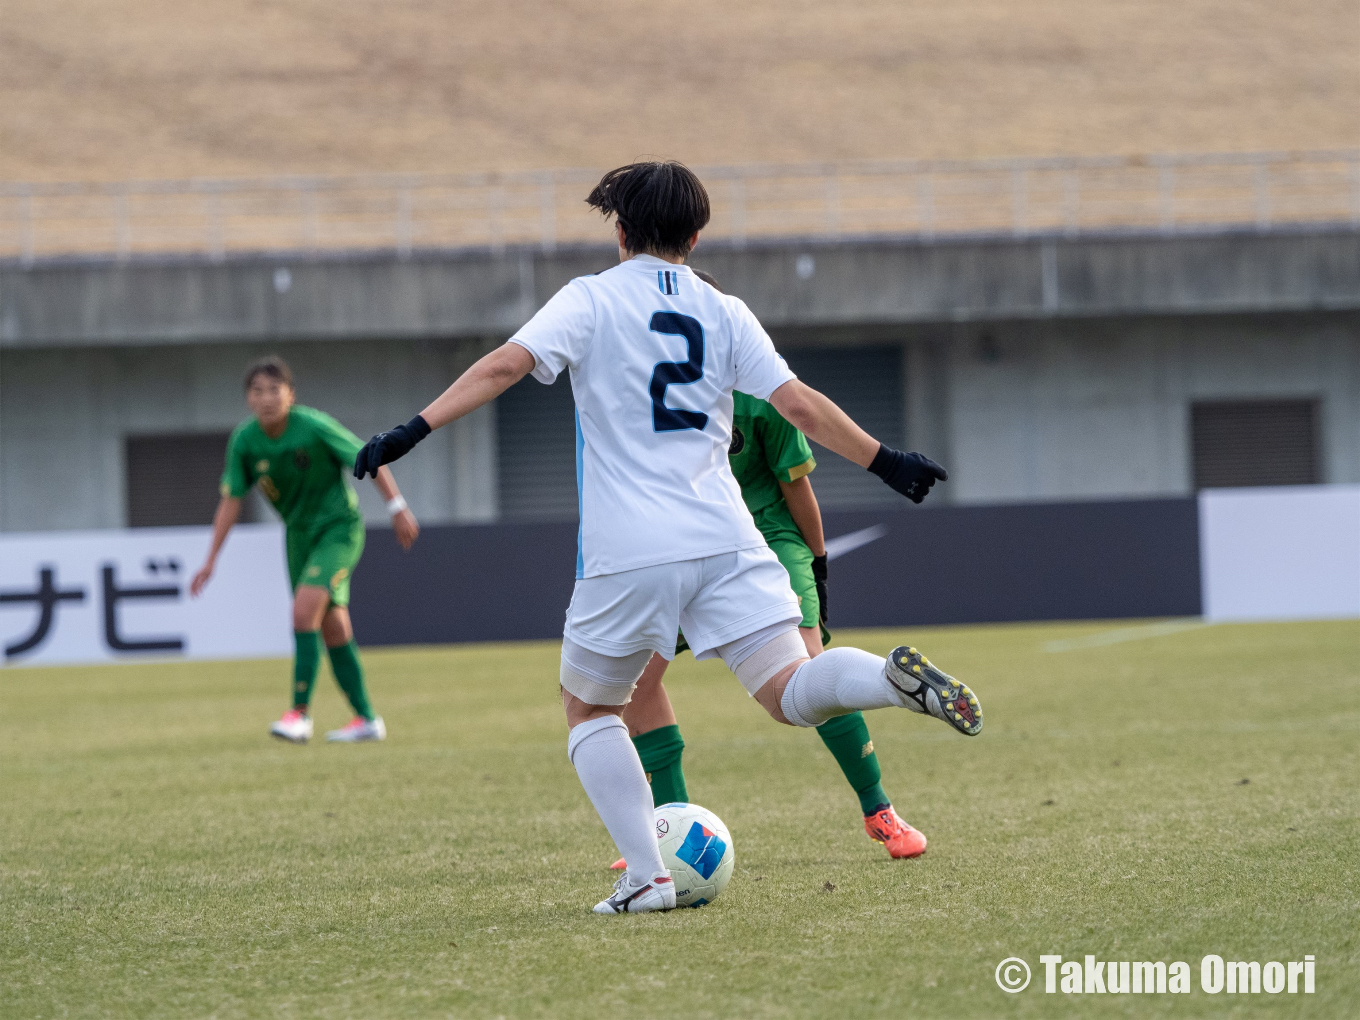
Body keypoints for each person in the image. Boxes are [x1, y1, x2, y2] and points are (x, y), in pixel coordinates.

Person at [354, 161, 981, 914]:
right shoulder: (727, 311)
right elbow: (801, 407)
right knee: (788, 691)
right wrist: (889, 461)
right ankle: (888, 680)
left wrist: (409, 431)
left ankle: (648, 878)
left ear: (620, 231)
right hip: (728, 539)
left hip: (630, 552)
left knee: (590, 709)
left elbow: (503, 367)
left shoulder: (589, 299)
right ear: (695, 234)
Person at [612, 269, 926, 864]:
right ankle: (670, 827)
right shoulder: (661, 392)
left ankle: (879, 808)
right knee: (635, 682)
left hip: (769, 548)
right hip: (681, 551)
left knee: (808, 672)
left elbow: (798, 492)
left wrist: (818, 560)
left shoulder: (761, 394)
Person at [191, 355, 420, 744]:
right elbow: (231, 500)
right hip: (297, 536)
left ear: (291, 395)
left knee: (302, 612)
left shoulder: (313, 426)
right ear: (248, 398)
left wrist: (397, 507)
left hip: (338, 530)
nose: (266, 398)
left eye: (274, 390)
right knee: (332, 626)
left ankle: (299, 714)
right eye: (257, 391)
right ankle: (366, 719)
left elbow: (368, 457)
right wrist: (211, 558)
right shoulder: (245, 441)